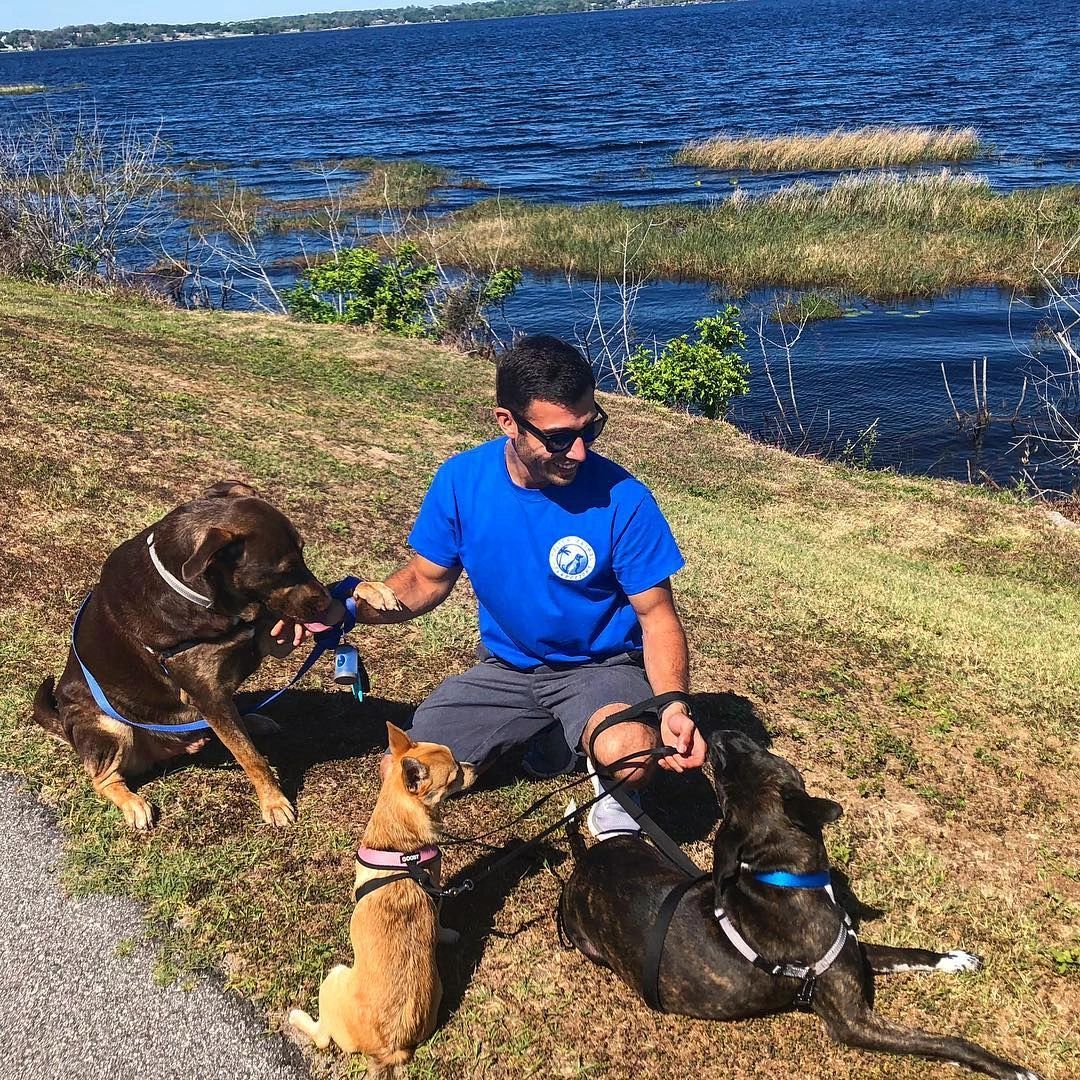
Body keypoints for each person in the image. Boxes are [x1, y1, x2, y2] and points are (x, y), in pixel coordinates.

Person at [276, 335, 707, 836]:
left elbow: (658, 620)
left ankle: (609, 788)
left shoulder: (626, 500)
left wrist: (673, 703)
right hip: (509, 668)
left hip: (599, 669)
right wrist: (341, 609)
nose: (582, 451)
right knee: (400, 771)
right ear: (507, 422)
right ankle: (553, 734)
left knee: (629, 756)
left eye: (591, 428)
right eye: (561, 437)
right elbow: (423, 580)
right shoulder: (462, 481)